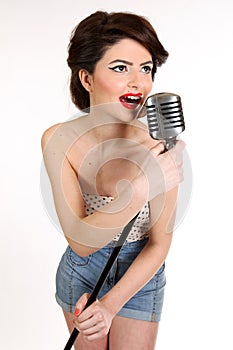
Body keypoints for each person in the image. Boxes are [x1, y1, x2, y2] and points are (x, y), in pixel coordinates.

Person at [41, 10, 184, 350]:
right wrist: (140, 189)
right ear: (87, 79)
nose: (139, 82)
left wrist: (109, 305)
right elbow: (80, 240)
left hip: (141, 274)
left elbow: (159, 245)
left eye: (146, 68)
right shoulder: (57, 139)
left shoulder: (161, 141)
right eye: (121, 68)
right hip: (82, 271)